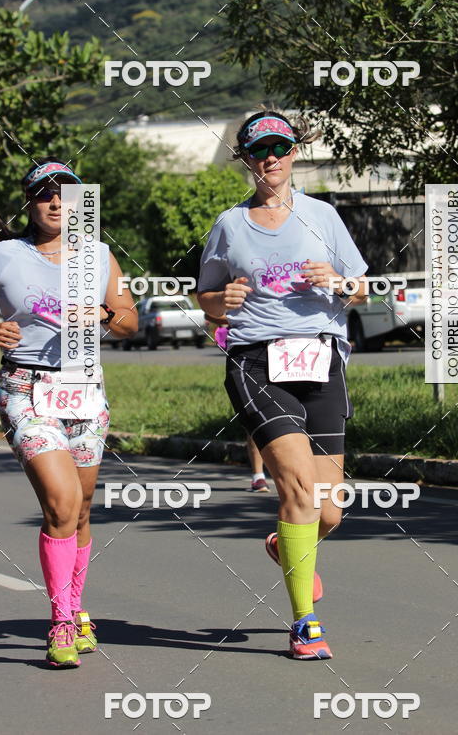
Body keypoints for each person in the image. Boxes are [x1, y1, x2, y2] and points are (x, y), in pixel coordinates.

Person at [197, 110, 368, 659]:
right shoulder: (228, 224)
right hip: (255, 360)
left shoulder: (324, 217)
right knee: (296, 486)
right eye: (259, 150)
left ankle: (286, 544)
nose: (270, 158)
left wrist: (339, 282)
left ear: (295, 153)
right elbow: (206, 299)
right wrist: (218, 304)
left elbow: (363, 289)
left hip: (322, 361)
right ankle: (304, 623)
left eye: (280, 148)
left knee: (329, 509)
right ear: (246, 160)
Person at [0, 158, 138, 667]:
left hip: (84, 388)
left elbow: (128, 321)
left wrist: (104, 314)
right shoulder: (1, 256)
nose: (56, 201)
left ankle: (76, 608)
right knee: (61, 502)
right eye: (44, 193)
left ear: (80, 201)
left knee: (81, 510)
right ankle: (61, 620)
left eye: (66, 193)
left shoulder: (100, 255)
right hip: (26, 386)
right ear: (31, 201)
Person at [206, 311, 271, 493]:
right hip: (250, 354)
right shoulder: (242, 285)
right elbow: (212, 310)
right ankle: (258, 476)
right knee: (255, 418)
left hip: (292, 354)